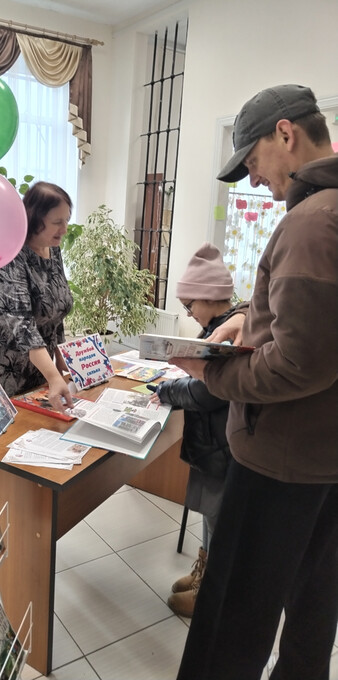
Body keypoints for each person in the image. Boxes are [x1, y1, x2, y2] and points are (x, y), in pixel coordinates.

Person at [173, 84, 337, 680]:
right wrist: (250, 316)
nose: (254, 180)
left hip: (278, 460)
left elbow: (299, 361)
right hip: (324, 457)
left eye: (252, 161)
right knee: (312, 615)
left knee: (231, 621)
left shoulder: (310, 223)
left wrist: (213, 371)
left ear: (285, 133)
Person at [150, 243, 246, 618]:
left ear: (208, 296)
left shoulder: (229, 335)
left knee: (220, 518)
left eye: (190, 306)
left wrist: (168, 390)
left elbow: (209, 391)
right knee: (209, 512)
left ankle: (212, 591)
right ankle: (204, 570)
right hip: (213, 444)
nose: (188, 314)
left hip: (224, 446)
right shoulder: (217, 328)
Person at [0, 181, 74, 412]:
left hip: (36, 362)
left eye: (67, 220)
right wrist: (53, 376)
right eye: (57, 222)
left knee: (34, 424)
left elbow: (55, 309)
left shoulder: (53, 248)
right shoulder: (8, 250)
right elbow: (21, 324)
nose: (64, 229)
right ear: (34, 219)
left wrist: (62, 358)